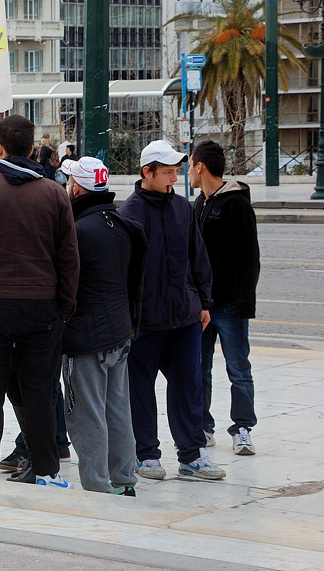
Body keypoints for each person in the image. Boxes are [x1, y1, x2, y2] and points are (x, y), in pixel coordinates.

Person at [0, 114, 79, 488]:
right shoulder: (55, 193)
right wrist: (63, 307)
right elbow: (69, 257)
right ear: (33, 148)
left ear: (1, 147)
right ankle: (46, 470)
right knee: (39, 393)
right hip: (42, 308)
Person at [118, 139, 224, 481]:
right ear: (146, 172)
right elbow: (121, 271)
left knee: (188, 385)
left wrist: (203, 302)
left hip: (184, 317)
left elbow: (199, 257)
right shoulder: (129, 213)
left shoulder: (182, 207)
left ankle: (192, 454)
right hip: (145, 321)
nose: (173, 179)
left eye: (176, 172)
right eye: (166, 172)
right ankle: (145, 454)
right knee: (139, 389)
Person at [60, 156, 147, 495]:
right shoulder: (125, 225)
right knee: (117, 410)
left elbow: (66, 285)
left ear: (77, 188)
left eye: (70, 182)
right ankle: (125, 480)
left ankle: (96, 485)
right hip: (121, 331)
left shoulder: (77, 231)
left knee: (86, 414)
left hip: (86, 337)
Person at [191, 139, 260, 456]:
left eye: (190, 164)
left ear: (200, 166)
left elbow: (249, 259)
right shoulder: (200, 203)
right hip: (202, 305)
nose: (187, 171)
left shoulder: (236, 204)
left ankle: (242, 428)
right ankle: (203, 427)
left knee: (238, 368)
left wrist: (245, 304)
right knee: (199, 368)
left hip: (230, 305)